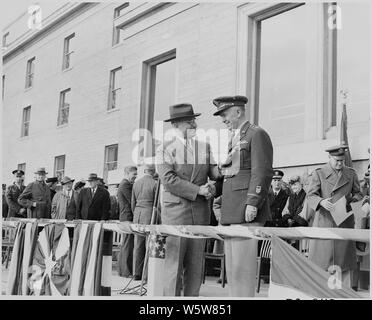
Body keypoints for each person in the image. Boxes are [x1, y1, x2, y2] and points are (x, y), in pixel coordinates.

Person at [156, 103, 220, 296]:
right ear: (176, 124)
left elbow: (215, 173)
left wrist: (216, 183)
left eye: (194, 120)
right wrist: (198, 190)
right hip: (176, 214)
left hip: (200, 214)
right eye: (189, 121)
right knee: (174, 266)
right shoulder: (164, 149)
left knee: (195, 267)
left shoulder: (205, 146)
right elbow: (168, 180)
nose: (194, 124)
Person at [212, 95, 273, 297]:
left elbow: (261, 171)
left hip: (245, 210)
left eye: (225, 114)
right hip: (232, 211)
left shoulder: (256, 134)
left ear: (238, 112)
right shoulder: (236, 137)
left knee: (243, 270)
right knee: (233, 270)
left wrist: (253, 202)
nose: (223, 119)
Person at [307, 145, 363, 288]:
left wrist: (350, 201)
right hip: (325, 222)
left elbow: (359, 194)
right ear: (329, 158)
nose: (340, 164)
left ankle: (342, 293)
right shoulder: (319, 173)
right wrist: (321, 201)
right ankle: (321, 292)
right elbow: (311, 195)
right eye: (337, 160)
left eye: (342, 161)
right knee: (323, 261)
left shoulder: (351, 174)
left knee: (342, 262)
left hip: (344, 221)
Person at [131, 164, 157, 280]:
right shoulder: (155, 184)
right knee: (148, 244)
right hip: (149, 213)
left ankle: (136, 273)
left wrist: (136, 212)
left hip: (137, 213)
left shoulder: (136, 183)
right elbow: (157, 204)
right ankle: (146, 274)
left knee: (138, 244)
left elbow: (133, 202)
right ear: (153, 172)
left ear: (145, 171)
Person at [117, 166, 138, 278]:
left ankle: (123, 270)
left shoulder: (125, 184)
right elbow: (132, 200)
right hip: (127, 218)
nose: (135, 176)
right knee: (127, 245)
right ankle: (126, 271)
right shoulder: (125, 184)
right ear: (127, 173)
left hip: (125, 217)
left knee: (126, 244)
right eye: (134, 174)